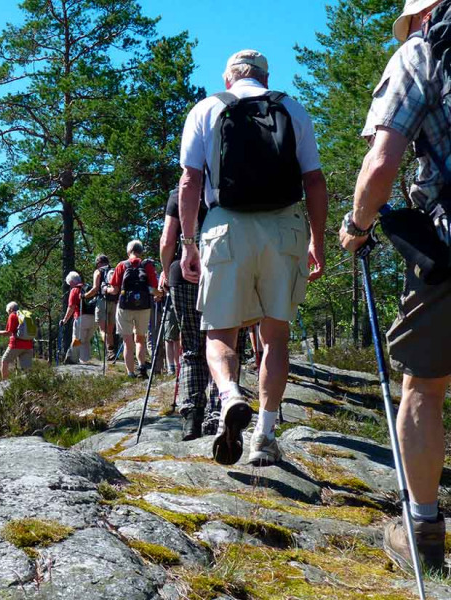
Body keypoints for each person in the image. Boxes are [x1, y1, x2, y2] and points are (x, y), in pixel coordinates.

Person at [178, 49, 327, 465]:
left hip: (227, 227)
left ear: (229, 79)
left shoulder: (206, 109)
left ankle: (228, 394)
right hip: (284, 228)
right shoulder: (292, 109)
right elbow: (313, 180)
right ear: (265, 77)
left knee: (220, 333)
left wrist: (189, 244)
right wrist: (317, 240)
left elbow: (190, 180)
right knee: (274, 336)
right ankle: (264, 433)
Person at [339, 0, 447, 573]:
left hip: (448, 240)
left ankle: (423, 529)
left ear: (421, 15)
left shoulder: (422, 53)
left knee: (424, 387)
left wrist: (356, 226)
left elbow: (382, 161)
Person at [160, 188, 214, 440]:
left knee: (191, 346)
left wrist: (165, 271)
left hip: (182, 275)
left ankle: (192, 416)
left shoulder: (179, 194)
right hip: (222, 271)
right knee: (226, 343)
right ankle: (218, 412)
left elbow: (167, 242)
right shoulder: (228, 186)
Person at [107, 240, 163, 378]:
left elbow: (114, 290)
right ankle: (142, 368)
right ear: (141, 251)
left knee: (127, 341)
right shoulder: (147, 265)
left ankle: (131, 373)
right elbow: (154, 289)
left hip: (125, 307)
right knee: (140, 339)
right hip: (143, 307)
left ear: (128, 252)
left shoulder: (121, 265)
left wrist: (105, 289)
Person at [85, 255, 119, 361]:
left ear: (98, 263)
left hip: (102, 301)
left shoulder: (98, 271)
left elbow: (95, 289)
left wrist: (84, 296)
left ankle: (109, 351)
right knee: (110, 330)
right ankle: (111, 352)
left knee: (103, 330)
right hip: (114, 302)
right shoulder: (113, 270)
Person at [61, 271, 96, 364]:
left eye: (69, 284)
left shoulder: (75, 290)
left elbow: (71, 307)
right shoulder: (89, 287)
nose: (70, 286)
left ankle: (72, 360)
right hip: (94, 318)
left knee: (77, 340)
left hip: (81, 318)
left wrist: (65, 320)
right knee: (86, 341)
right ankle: (85, 360)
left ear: (72, 282)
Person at [0, 302, 34, 379]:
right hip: (29, 345)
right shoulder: (26, 314)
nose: (8, 314)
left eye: (8, 312)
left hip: (16, 345)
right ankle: (29, 386)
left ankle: (4, 383)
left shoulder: (12, 315)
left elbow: (9, 332)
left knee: (4, 361)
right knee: (26, 369)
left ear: (11, 309)